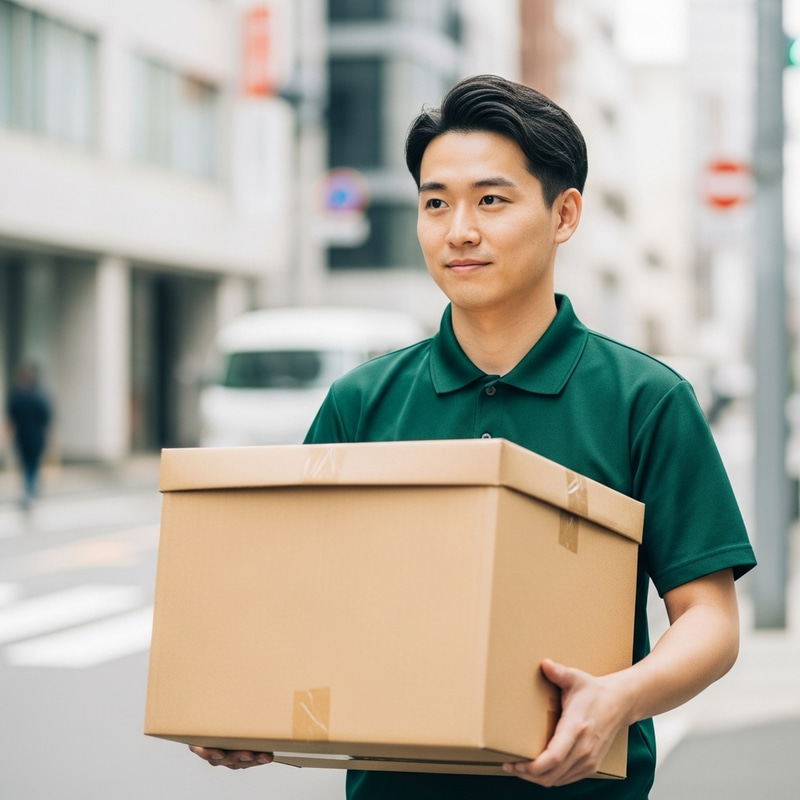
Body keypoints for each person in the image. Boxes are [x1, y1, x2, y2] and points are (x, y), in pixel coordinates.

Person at [189, 74, 757, 798]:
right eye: (435, 203)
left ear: (565, 214)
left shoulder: (644, 400)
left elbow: (709, 619)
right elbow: (299, 600)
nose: (458, 229)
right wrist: (242, 701)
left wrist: (621, 698)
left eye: (491, 199)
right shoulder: (362, 402)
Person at [5, 362, 52, 509]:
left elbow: (10, 417)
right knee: (32, 464)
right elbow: (46, 418)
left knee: (26, 464)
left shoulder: (17, 395)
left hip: (22, 437)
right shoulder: (39, 396)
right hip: (35, 436)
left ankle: (28, 488)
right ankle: (30, 489)